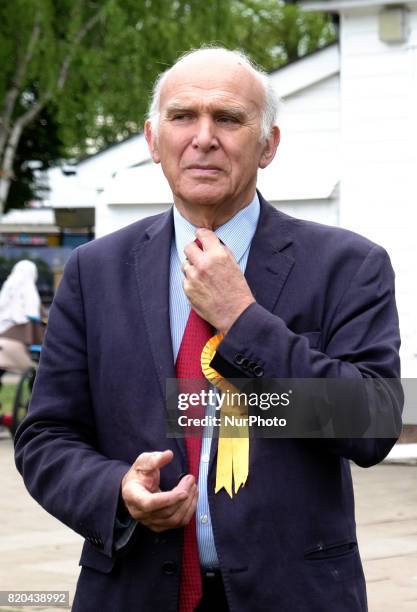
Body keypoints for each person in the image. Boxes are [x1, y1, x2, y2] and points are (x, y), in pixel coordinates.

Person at [14, 48, 402, 612]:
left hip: (295, 593)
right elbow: (47, 436)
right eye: (182, 116)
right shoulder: (94, 272)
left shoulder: (348, 266)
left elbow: (372, 423)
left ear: (268, 144)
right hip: (133, 590)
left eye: (228, 118)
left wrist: (243, 321)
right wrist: (117, 492)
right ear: (152, 140)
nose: (203, 137)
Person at [0, 260, 42, 380]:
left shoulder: (7, 287)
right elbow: (32, 313)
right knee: (34, 372)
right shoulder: (29, 287)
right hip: (19, 340)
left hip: (3, 336)